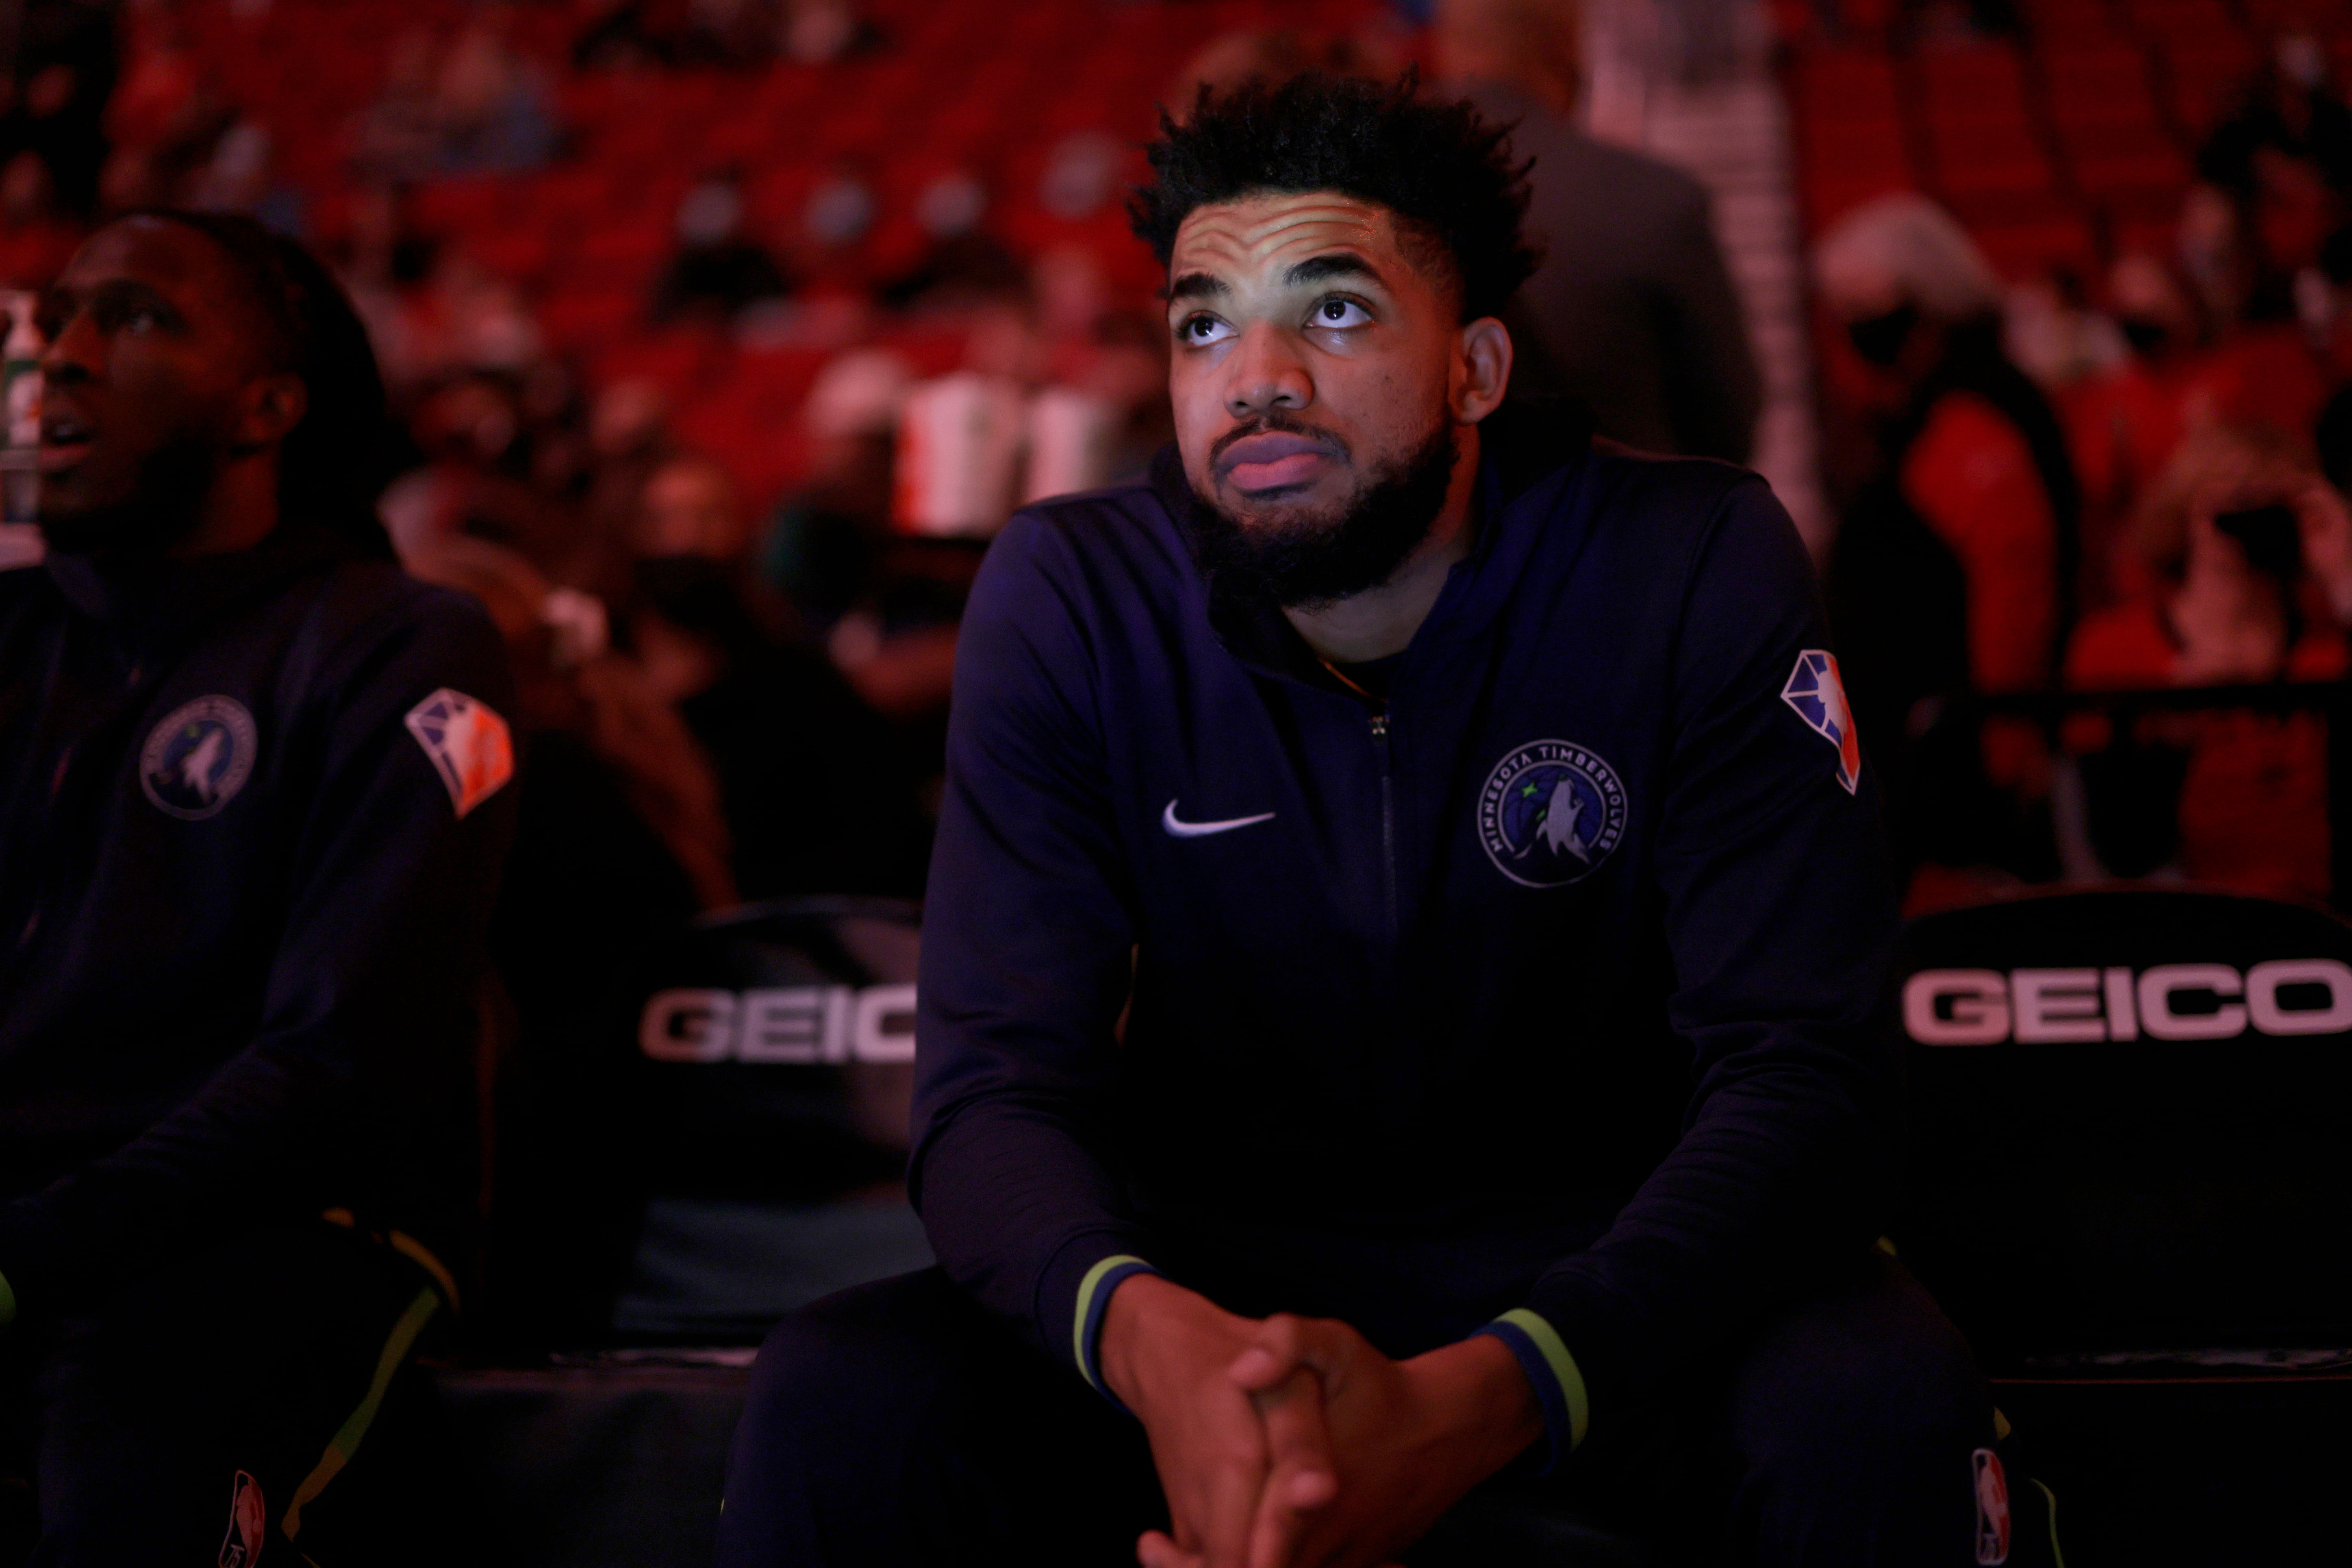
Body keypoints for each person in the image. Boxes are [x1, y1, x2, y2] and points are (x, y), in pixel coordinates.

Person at [719, 74, 2034, 1568]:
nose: (1254, 376)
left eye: (1332, 312)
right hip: (1221, 1292)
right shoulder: (1071, 595)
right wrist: (1168, 1359)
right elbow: (987, 1098)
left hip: (1613, 1274)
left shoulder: (1693, 558)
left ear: (1476, 366)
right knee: (844, 1395)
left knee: (1875, 1397)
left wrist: (1490, 1390)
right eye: (1203, 323)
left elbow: (1808, 1080)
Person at [0, 211, 517, 1559]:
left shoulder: (401, 645)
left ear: (267, 406)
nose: (61, 356)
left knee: (123, 1437)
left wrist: (35, 1244)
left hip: (302, 1226)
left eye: (137, 316)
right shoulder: (12, 637)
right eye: (55, 319)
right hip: (30, 1226)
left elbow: (341, 1062)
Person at [1436, 0, 1762, 462]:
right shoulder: (1655, 201)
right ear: (1569, 47)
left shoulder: (1368, 200)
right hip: (1636, 523)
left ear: (1447, 44)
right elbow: (1729, 427)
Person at [2065, 424, 2352, 900]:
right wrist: (2171, 732)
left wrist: (2344, 574)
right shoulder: (2115, 647)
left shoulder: (2332, 643)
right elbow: (2115, 850)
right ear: (2188, 511)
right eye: (2233, 500)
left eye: (2270, 506)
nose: (2249, 522)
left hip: (2326, 913)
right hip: (2184, 918)